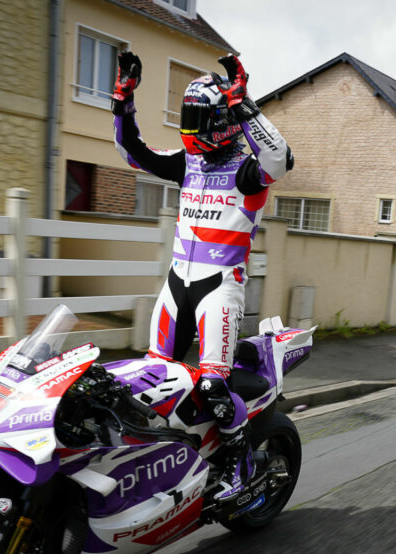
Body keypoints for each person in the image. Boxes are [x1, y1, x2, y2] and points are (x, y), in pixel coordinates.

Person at [112, 51, 293, 502]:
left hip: (220, 289)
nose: (189, 132)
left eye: (198, 121)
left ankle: (239, 462)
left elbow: (282, 158)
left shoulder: (249, 171)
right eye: (186, 120)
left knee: (212, 385)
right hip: (177, 283)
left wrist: (244, 102)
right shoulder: (188, 161)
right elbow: (132, 151)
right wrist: (123, 100)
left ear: (221, 121)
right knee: (152, 379)